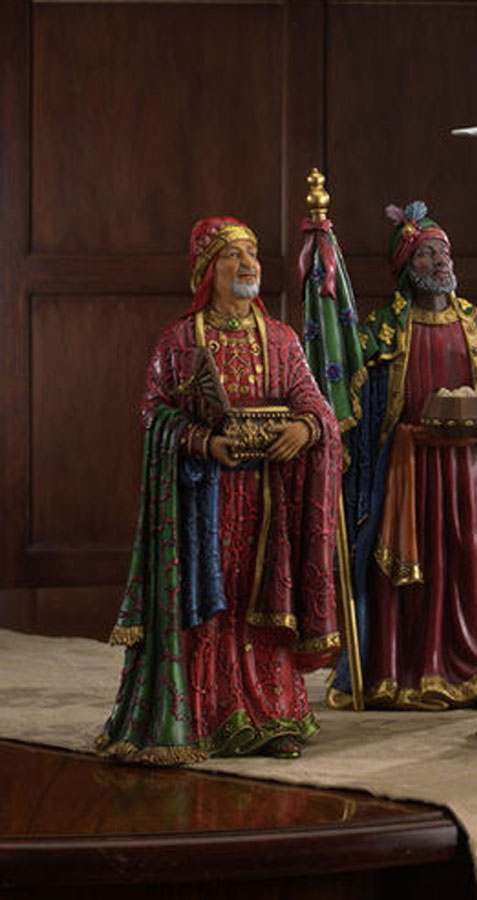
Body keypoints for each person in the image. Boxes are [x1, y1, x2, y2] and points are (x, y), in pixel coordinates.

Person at [96, 216, 342, 765]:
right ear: (208, 270)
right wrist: (204, 443)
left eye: (252, 254)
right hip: (200, 502)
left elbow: (315, 404)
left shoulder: (281, 339)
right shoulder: (180, 340)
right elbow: (152, 412)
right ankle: (199, 716)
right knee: (209, 604)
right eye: (234, 255)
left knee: (260, 602)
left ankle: (273, 716)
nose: (249, 264)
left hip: (268, 503)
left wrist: (306, 429)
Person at [327, 201, 477, 710]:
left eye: (443, 252)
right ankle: (403, 672)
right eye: (426, 253)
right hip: (408, 471)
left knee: (473, 567)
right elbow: (356, 400)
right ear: (405, 267)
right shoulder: (384, 331)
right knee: (410, 581)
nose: (439, 262)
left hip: (470, 469)